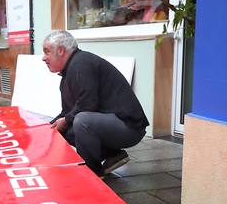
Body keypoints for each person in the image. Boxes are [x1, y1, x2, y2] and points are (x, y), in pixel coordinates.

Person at [43, 30, 150, 175]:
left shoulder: (81, 64)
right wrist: (46, 130)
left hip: (129, 127)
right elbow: (68, 112)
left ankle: (93, 173)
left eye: (47, 52)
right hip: (112, 123)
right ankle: (112, 155)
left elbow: (87, 105)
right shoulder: (69, 73)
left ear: (61, 50)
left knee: (81, 121)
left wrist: (65, 120)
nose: (43, 58)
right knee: (61, 129)